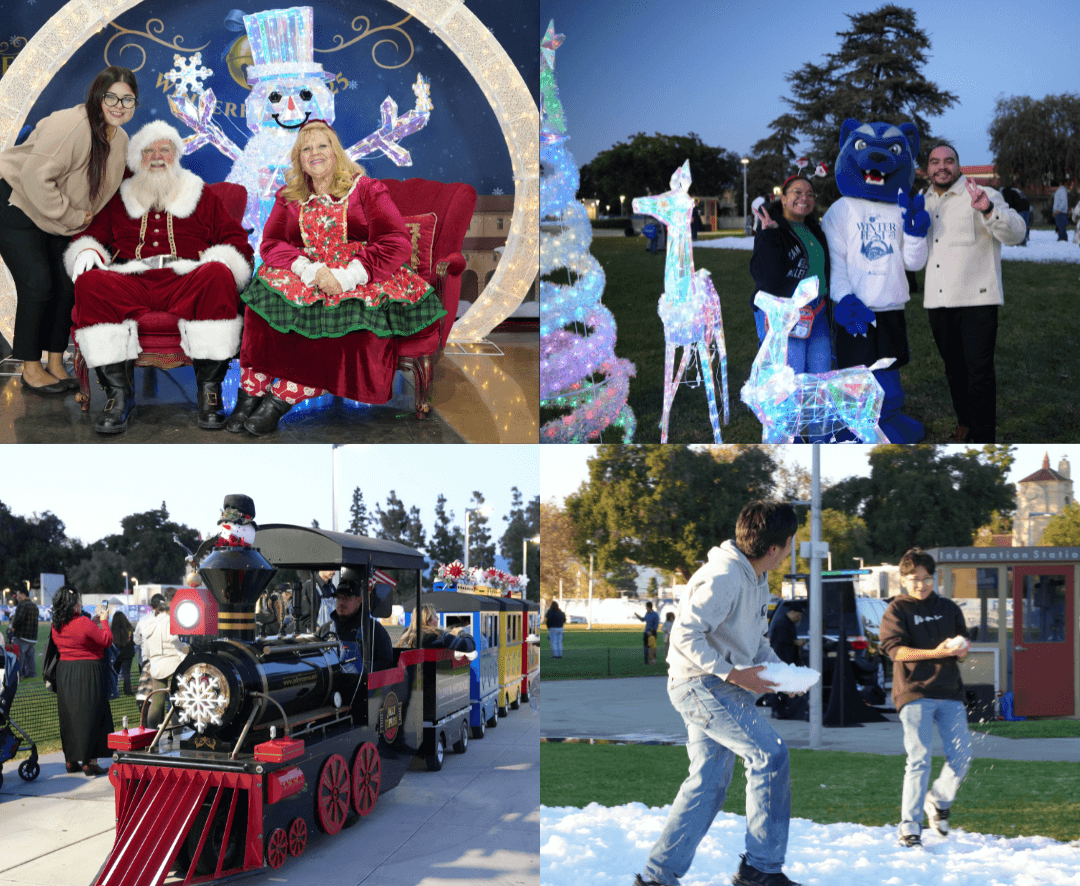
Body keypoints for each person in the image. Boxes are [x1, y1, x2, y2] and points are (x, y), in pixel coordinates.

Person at [227, 120, 447, 435]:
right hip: (310, 273)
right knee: (263, 298)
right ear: (298, 158)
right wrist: (307, 269)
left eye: (322, 146)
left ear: (335, 151)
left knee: (347, 326)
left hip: (360, 275)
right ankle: (250, 394)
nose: (314, 153)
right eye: (306, 148)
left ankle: (281, 397)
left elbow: (395, 241)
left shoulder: (367, 189)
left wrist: (347, 277)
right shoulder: (289, 196)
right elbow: (272, 244)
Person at [634, 501, 802, 886]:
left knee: (708, 784)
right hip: (700, 686)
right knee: (769, 753)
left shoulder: (756, 580)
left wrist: (782, 674)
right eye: (791, 541)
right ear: (775, 548)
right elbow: (684, 636)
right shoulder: (724, 575)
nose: (792, 547)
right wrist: (737, 675)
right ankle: (760, 869)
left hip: (722, 687)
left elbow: (757, 642)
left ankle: (657, 877)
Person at [63, 120, 254, 434]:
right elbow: (92, 235)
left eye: (164, 150)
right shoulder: (119, 197)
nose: (156, 156)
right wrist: (86, 251)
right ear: (137, 158)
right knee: (91, 282)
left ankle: (210, 393)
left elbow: (235, 239)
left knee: (218, 273)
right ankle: (118, 396)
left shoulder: (200, 194)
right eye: (148, 151)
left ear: (176, 156)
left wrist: (222, 259)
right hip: (132, 280)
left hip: (186, 280)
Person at [0, 66, 138, 395]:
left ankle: (56, 362)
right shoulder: (71, 125)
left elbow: (104, 192)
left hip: (60, 215)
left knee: (66, 285)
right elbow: (35, 178)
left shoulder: (120, 139)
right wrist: (73, 216)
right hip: (17, 201)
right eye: (112, 97)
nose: (119, 105)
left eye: (128, 99)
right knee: (38, 284)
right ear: (96, 97)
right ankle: (30, 369)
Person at [922, 143, 1026, 444]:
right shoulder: (923, 201)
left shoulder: (981, 194)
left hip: (977, 302)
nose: (942, 167)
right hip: (938, 303)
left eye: (949, 161)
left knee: (978, 374)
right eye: (935, 162)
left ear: (958, 164)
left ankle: (984, 437)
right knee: (954, 371)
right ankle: (965, 424)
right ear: (928, 168)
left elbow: (1018, 233)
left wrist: (989, 210)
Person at [879, 548, 973, 849]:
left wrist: (960, 648)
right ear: (904, 580)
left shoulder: (948, 607)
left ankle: (938, 799)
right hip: (914, 692)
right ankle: (909, 828)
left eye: (927, 578)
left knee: (962, 756)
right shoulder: (897, 610)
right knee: (919, 760)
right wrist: (936, 653)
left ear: (935, 578)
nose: (922, 584)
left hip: (950, 692)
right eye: (915, 579)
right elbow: (897, 653)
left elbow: (962, 644)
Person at [750, 176, 832, 375]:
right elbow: (765, 277)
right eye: (797, 192)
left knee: (819, 374)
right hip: (785, 312)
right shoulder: (773, 230)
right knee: (789, 376)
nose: (804, 197)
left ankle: (813, 408)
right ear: (784, 198)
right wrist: (767, 236)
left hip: (818, 310)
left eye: (810, 194)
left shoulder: (814, 230)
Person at [50, 586, 114, 776]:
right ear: (73, 604)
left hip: (65, 672)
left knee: (69, 716)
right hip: (88, 671)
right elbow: (106, 640)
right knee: (92, 714)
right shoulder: (84, 622)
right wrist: (104, 621)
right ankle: (90, 762)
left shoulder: (56, 625)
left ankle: (71, 760)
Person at [316, 570, 395, 671]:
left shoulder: (373, 630)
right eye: (339, 598)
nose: (340, 603)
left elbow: (386, 662)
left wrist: (363, 672)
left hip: (360, 685)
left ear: (359, 601)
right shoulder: (325, 630)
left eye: (346, 598)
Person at [133, 593, 189, 729]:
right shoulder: (169, 621)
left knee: (157, 702)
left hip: (156, 666)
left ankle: (151, 733)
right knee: (177, 701)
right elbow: (173, 640)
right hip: (173, 664)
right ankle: (177, 734)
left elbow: (141, 642)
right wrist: (185, 654)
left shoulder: (146, 622)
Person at [396, 604, 477, 653]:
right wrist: (461, 632)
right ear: (427, 620)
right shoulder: (437, 636)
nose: (438, 619)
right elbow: (469, 646)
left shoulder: (407, 634)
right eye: (435, 616)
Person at [8, 587, 39, 678]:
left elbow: (18, 619)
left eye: (18, 595)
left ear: (23, 595)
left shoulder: (22, 605)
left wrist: (13, 627)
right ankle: (32, 673)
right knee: (31, 657)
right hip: (32, 637)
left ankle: (20, 674)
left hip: (22, 635)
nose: (17, 597)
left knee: (20, 656)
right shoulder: (34, 606)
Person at [296, 570, 336, 634]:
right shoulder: (309, 587)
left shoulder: (332, 588)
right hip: (316, 638)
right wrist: (319, 631)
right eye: (330, 568)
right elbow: (305, 617)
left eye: (335, 569)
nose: (334, 572)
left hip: (332, 636)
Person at [110, 609, 136, 695]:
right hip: (128, 654)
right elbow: (133, 641)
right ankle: (127, 691)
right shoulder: (130, 629)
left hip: (116, 654)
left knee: (115, 673)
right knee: (126, 673)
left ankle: (114, 690)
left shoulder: (112, 630)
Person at [634, 601, 660, 665]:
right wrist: (637, 616)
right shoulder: (647, 614)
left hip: (652, 633)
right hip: (646, 633)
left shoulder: (655, 614)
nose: (646, 608)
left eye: (646, 607)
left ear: (649, 607)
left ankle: (653, 660)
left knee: (652, 647)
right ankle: (646, 660)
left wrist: (651, 632)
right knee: (646, 647)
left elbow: (656, 625)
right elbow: (643, 620)